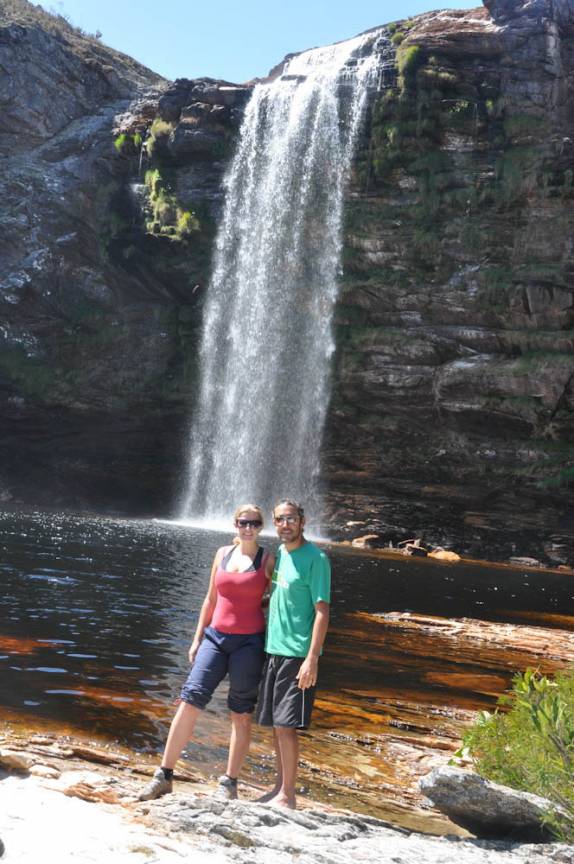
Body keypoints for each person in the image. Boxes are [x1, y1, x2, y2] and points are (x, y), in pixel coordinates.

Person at [139, 504, 274, 801]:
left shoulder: (268, 560)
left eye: (254, 523)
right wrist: (197, 637)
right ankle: (164, 775)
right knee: (190, 700)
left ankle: (229, 783)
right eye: (243, 522)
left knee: (241, 712)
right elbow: (211, 599)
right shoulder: (222, 553)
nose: (248, 528)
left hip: (249, 643)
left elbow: (278, 599)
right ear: (235, 524)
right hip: (215, 638)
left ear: (261, 527)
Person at [256, 499, 331, 809]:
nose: (285, 525)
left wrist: (312, 659)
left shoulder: (316, 559)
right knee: (277, 725)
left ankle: (288, 795)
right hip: (273, 650)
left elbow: (322, 611)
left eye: (290, 519)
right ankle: (278, 788)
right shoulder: (281, 555)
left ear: (302, 521)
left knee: (287, 727)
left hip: (297, 654)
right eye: (279, 520)